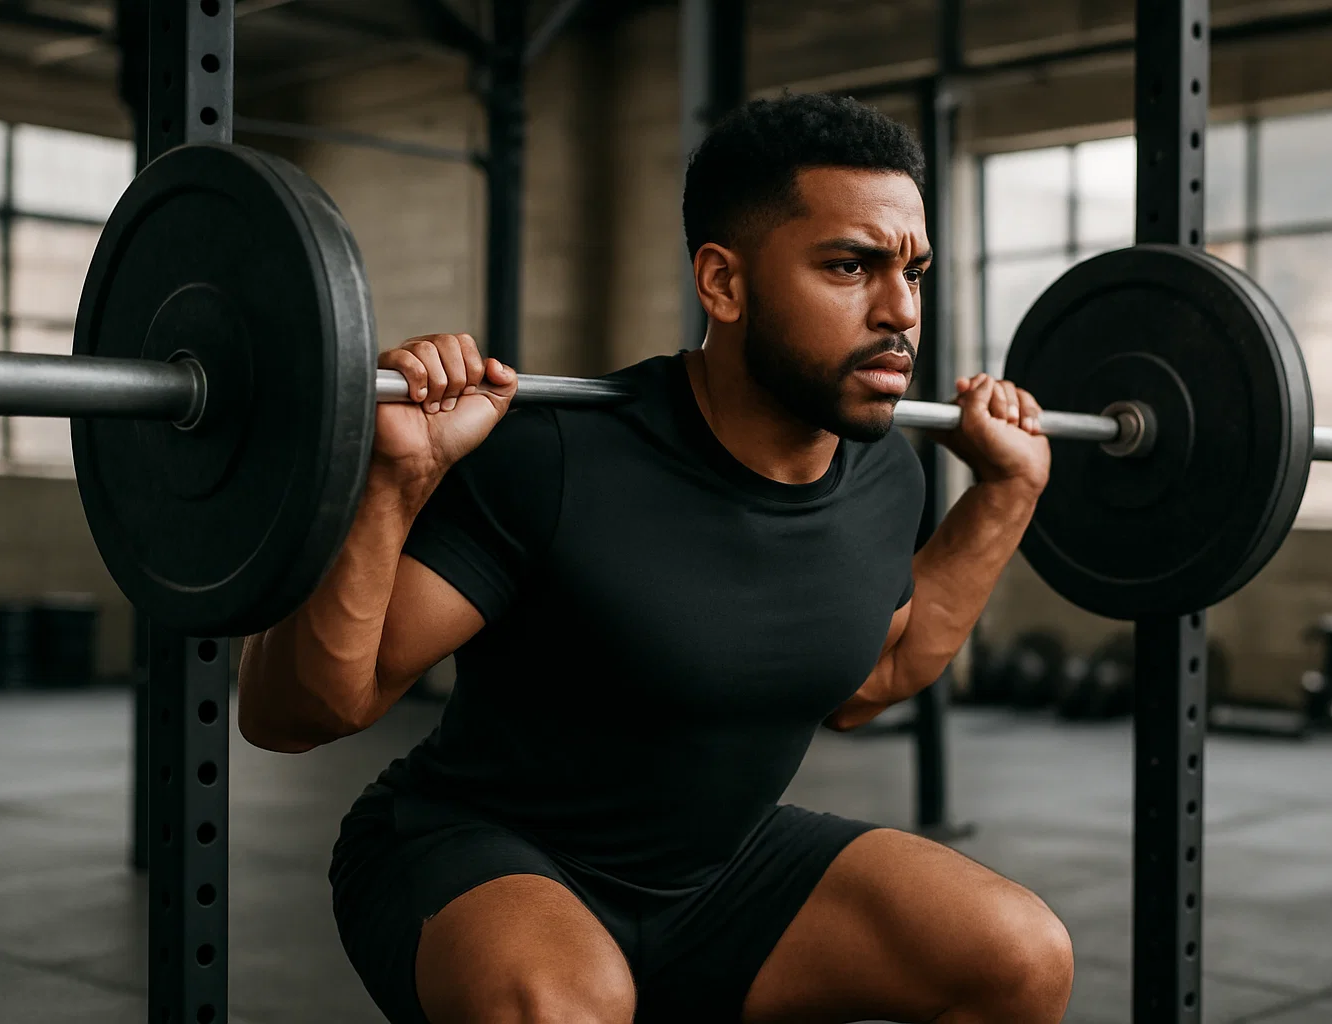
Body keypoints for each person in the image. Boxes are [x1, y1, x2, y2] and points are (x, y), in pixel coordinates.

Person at [237, 93, 1073, 1024]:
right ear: (723, 283)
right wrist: (392, 482)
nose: (901, 310)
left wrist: (1007, 492)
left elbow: (871, 681)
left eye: (913, 271)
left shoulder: (885, 476)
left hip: (722, 874)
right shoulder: (556, 458)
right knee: (559, 1009)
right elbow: (293, 715)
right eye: (850, 266)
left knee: (1019, 957)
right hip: (483, 853)